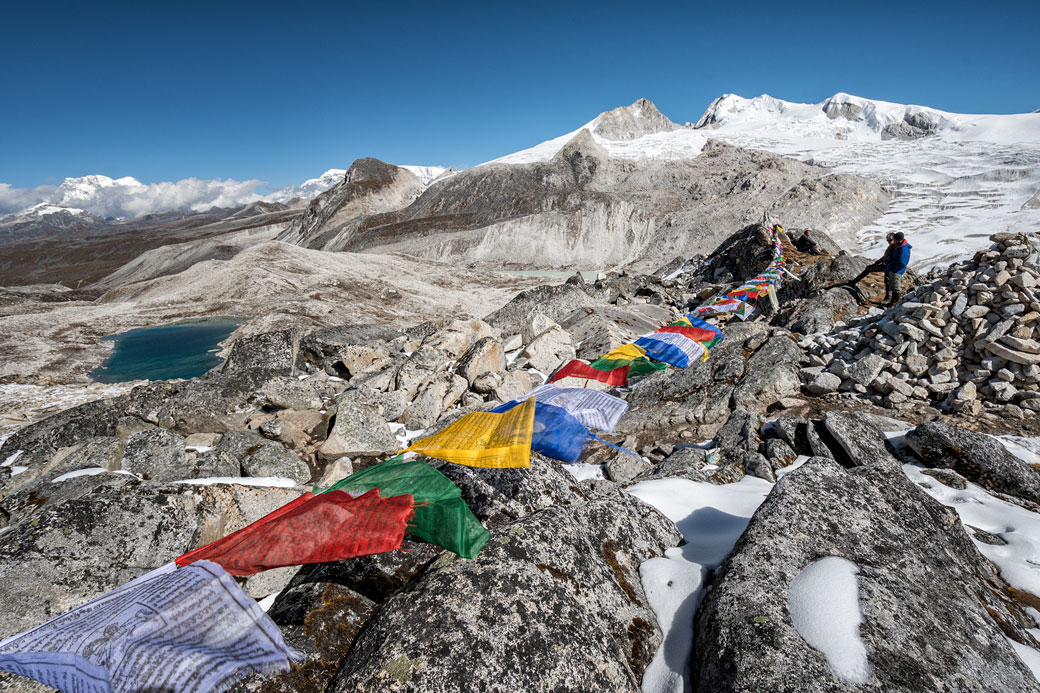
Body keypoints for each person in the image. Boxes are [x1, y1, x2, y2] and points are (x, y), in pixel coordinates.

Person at [849, 233, 898, 302]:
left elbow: (892, 258)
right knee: (868, 269)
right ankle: (854, 281)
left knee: (888, 282)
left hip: (889, 267)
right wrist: (878, 262)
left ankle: (888, 298)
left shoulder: (896, 248)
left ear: (894, 239)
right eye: (888, 240)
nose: (889, 242)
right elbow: (885, 256)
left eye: (890, 240)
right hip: (884, 265)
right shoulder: (891, 246)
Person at [885, 231, 911, 305]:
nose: (894, 241)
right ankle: (892, 302)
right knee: (893, 285)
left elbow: (903, 262)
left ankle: (895, 303)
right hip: (894, 269)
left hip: (897, 270)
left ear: (899, 240)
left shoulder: (904, 249)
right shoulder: (900, 247)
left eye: (895, 240)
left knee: (896, 286)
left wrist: (894, 269)